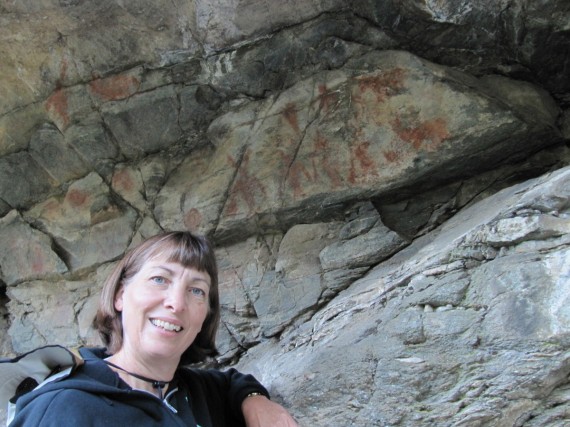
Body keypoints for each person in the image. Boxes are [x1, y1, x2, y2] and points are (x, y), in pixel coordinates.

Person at [6, 231, 298, 426]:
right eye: (159, 279)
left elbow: (232, 382)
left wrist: (254, 400)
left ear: (205, 315)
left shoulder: (195, 391)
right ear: (120, 295)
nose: (176, 303)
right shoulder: (64, 407)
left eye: (196, 291)